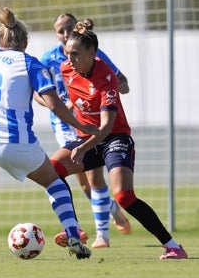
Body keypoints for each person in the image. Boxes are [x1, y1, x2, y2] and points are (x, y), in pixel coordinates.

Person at [0, 5, 101, 262]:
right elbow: (55, 104)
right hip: (18, 142)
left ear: (0, 40)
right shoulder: (31, 63)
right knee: (55, 183)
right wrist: (84, 126)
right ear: (25, 41)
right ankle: (74, 238)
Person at [49, 21, 188, 259]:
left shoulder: (106, 77)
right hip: (87, 139)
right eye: (67, 53)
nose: (69, 59)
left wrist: (82, 148)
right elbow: (74, 99)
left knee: (124, 196)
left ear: (92, 54)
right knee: (51, 171)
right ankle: (75, 230)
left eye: (75, 54)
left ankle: (173, 246)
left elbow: (106, 128)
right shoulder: (66, 69)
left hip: (114, 138)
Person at [34, 13, 131, 248]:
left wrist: (104, 91)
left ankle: (101, 235)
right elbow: (37, 92)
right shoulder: (48, 59)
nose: (65, 34)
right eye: (60, 31)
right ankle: (106, 211)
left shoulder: (90, 54)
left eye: (69, 28)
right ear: (56, 34)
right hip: (63, 123)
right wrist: (55, 104)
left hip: (90, 120)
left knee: (93, 176)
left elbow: (122, 83)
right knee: (81, 180)